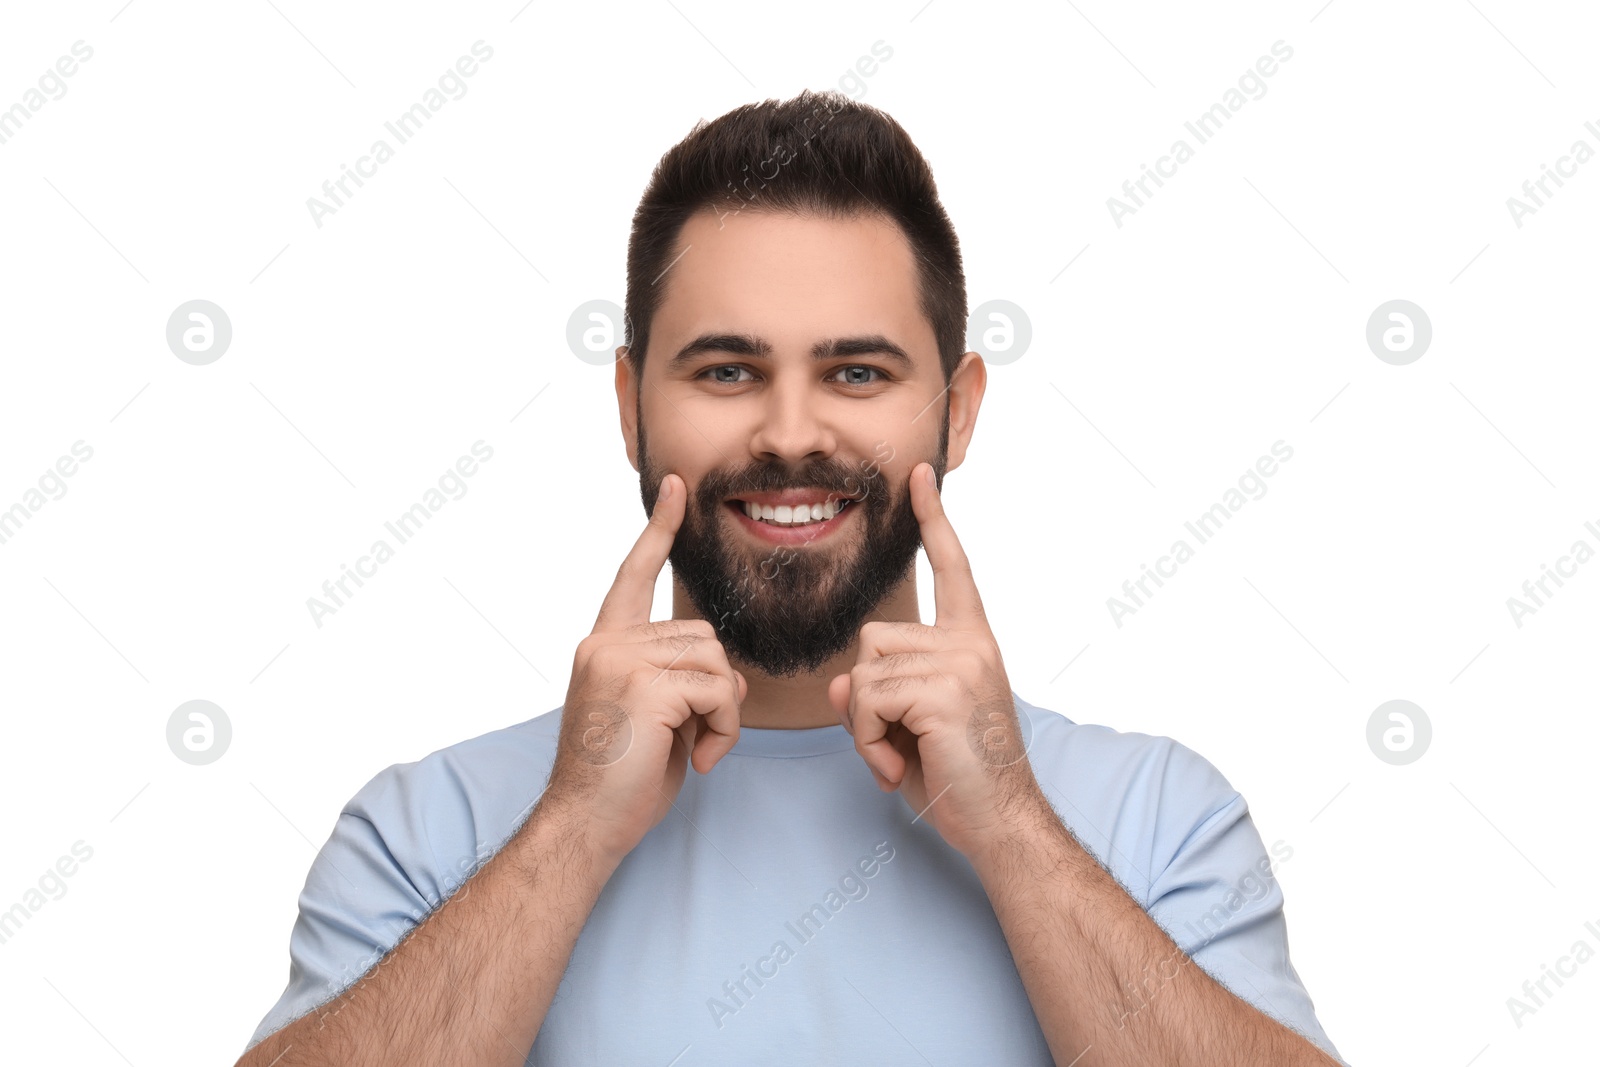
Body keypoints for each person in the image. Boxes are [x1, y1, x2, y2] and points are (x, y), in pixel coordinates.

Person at [238, 89, 1344, 1067]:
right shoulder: (427, 832)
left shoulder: (1156, 822)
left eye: (856, 371)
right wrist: (570, 828)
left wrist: (1011, 825)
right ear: (629, 405)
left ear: (958, 409)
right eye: (726, 370)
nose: (787, 431)